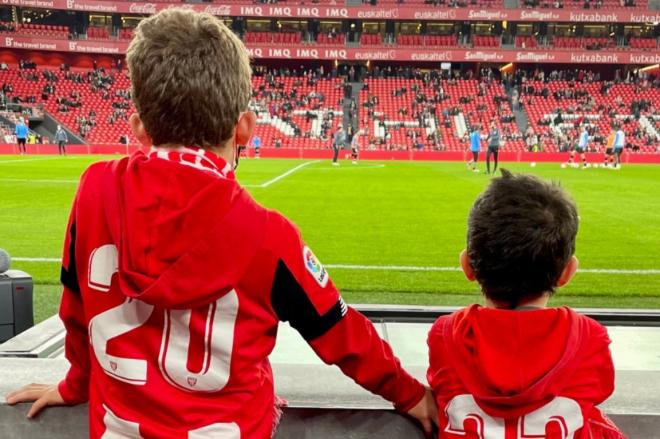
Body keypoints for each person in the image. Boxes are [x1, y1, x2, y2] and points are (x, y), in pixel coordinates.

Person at [5, 9, 437, 438]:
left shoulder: (95, 189)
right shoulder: (268, 235)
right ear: (246, 128)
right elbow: (340, 333)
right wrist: (410, 393)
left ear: (138, 127)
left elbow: (75, 308)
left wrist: (77, 382)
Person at [427, 170, 627, 439]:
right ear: (567, 272)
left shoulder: (445, 335)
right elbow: (598, 392)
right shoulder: (590, 339)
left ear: (467, 265)